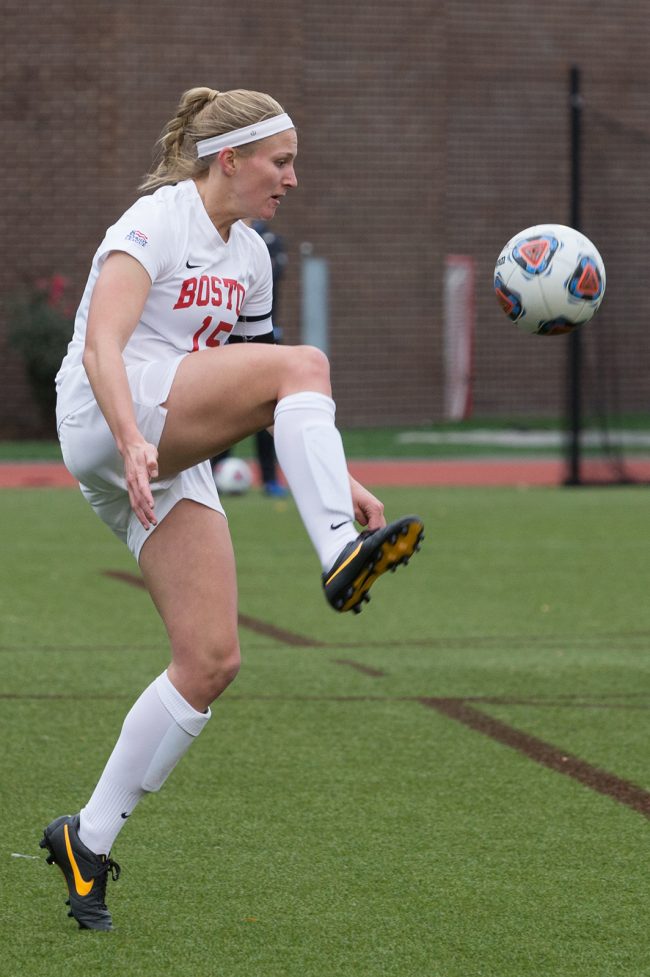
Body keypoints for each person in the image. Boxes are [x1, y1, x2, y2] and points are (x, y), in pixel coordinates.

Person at [39, 86, 424, 932]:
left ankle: (87, 839)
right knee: (309, 359)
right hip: (108, 415)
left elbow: (266, 393)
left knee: (210, 659)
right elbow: (104, 342)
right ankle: (336, 552)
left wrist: (339, 471)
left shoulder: (250, 256)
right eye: (280, 162)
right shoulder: (158, 220)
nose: (291, 178)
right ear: (230, 159)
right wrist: (130, 436)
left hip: (167, 438)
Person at [212, 219, 289, 497]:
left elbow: (271, 273)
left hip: (261, 333)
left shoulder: (265, 240)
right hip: (220, 341)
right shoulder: (208, 235)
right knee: (222, 408)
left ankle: (270, 477)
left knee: (266, 404)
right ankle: (214, 472)